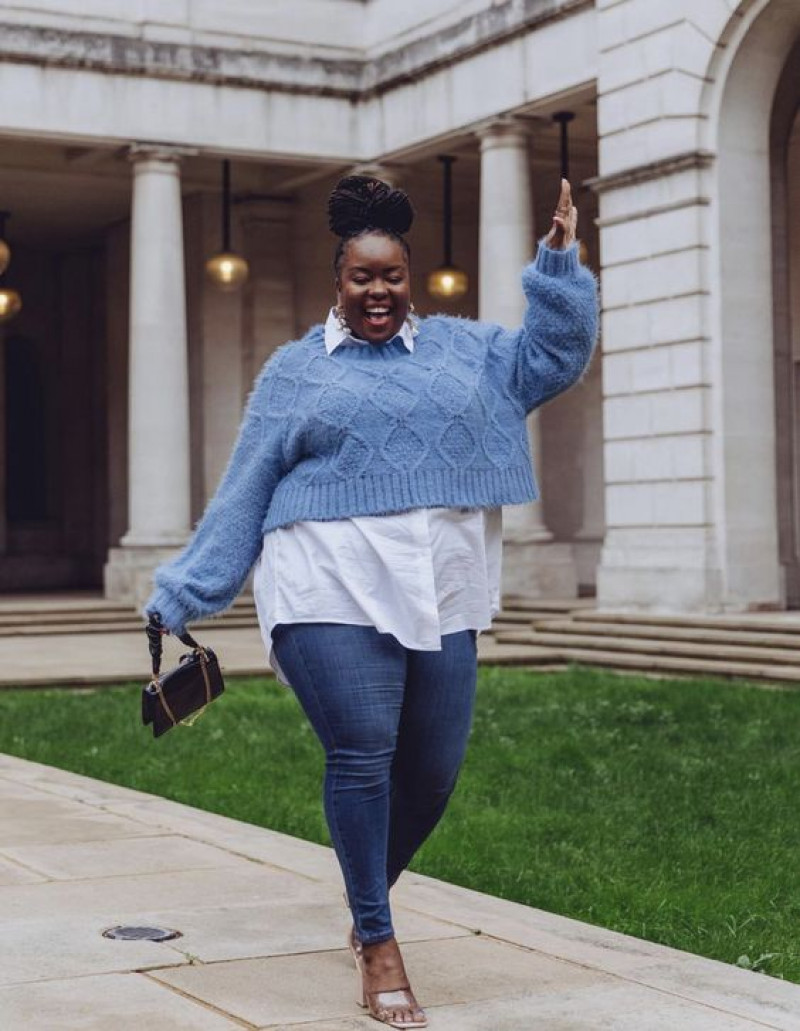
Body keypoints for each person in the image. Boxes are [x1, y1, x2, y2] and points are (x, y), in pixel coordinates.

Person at [144, 173, 598, 1029]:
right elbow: (247, 485)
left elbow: (555, 357)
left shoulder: (469, 351)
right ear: (338, 279)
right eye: (362, 277)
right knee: (362, 752)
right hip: (328, 580)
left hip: (443, 586)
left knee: (430, 773)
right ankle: (380, 943)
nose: (377, 290)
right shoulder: (295, 372)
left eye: (391, 275)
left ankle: (363, 893)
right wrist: (185, 591)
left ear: (410, 275)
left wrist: (559, 261)